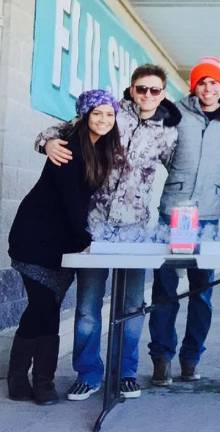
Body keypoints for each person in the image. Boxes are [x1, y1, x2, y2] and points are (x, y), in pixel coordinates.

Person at [35, 64, 181, 400]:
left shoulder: (168, 132)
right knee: (88, 307)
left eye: (154, 90)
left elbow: (184, 169)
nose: (147, 95)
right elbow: (60, 131)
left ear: (162, 93)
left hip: (135, 230)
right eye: (141, 89)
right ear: (131, 90)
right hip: (94, 227)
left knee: (132, 305)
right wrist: (46, 143)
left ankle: (126, 372)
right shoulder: (110, 114)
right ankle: (88, 374)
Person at [7, 90, 121, 405]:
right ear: (84, 116)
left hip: (65, 242)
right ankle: (33, 381)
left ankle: (34, 379)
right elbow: (72, 201)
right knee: (43, 306)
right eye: (97, 113)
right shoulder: (68, 149)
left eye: (109, 114)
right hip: (36, 238)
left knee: (46, 308)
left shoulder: (104, 151)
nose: (104, 120)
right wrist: (90, 242)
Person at [148, 57, 220, 385]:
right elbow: (154, 141)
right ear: (194, 85)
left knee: (202, 290)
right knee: (165, 287)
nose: (208, 87)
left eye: (214, 82)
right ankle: (161, 357)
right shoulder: (175, 112)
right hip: (174, 210)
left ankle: (191, 357)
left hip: (210, 214)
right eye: (202, 81)